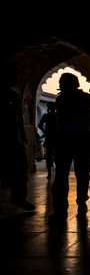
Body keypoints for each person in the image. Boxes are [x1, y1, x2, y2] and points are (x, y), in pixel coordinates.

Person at [50, 73, 90, 221]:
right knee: (81, 174)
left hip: (66, 139)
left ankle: (60, 209)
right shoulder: (88, 98)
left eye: (62, 83)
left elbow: (60, 122)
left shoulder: (62, 99)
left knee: (62, 175)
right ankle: (81, 202)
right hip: (82, 139)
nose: (61, 86)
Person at [0, 65, 35, 211]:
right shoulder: (12, 96)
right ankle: (18, 198)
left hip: (13, 138)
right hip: (6, 137)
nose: (16, 80)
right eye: (13, 77)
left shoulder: (15, 95)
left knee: (20, 170)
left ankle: (18, 198)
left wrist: (22, 134)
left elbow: (19, 117)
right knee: (16, 169)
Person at [38, 101, 57, 179]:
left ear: (48, 107)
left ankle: (49, 173)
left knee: (48, 156)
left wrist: (45, 132)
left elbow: (40, 125)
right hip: (56, 138)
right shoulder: (57, 116)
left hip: (49, 137)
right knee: (56, 155)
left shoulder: (46, 116)